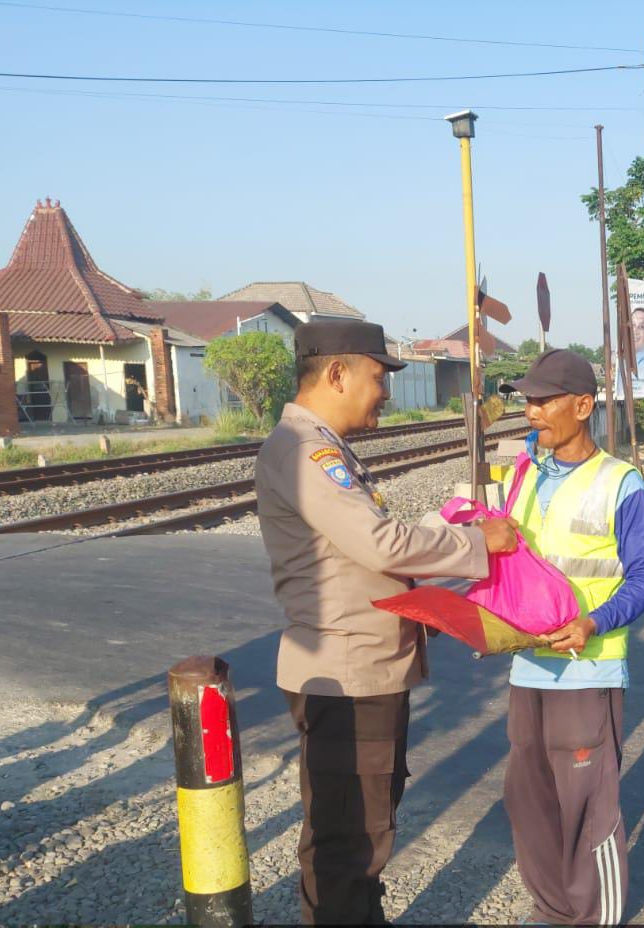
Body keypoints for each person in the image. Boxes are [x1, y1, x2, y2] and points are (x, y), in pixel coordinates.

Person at [256, 319, 519, 924]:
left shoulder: (318, 447)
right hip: (347, 678)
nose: (385, 392)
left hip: (358, 672)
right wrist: (476, 542)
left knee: (357, 834)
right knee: (353, 843)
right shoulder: (304, 449)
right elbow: (379, 543)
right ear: (338, 373)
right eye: (379, 377)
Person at [501, 349, 644, 926]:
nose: (532, 411)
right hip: (526, 668)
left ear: (583, 405)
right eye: (528, 400)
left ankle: (592, 918)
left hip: (588, 669)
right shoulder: (522, 474)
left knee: (587, 808)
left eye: (543, 400)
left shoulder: (621, 482)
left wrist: (594, 622)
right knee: (531, 801)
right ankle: (551, 910)